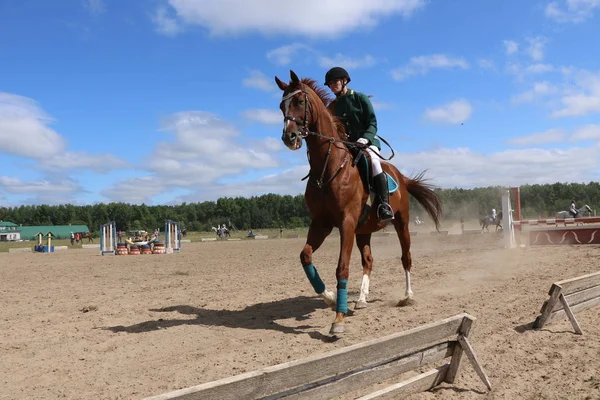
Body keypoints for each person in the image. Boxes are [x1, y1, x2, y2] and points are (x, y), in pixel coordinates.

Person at [324, 66, 394, 223]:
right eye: (330, 83)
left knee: (374, 162)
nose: (333, 85)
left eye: (335, 81)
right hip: (346, 145)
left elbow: (373, 123)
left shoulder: (361, 98)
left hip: (367, 142)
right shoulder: (332, 107)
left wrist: (364, 139)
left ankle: (384, 205)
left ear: (344, 81)